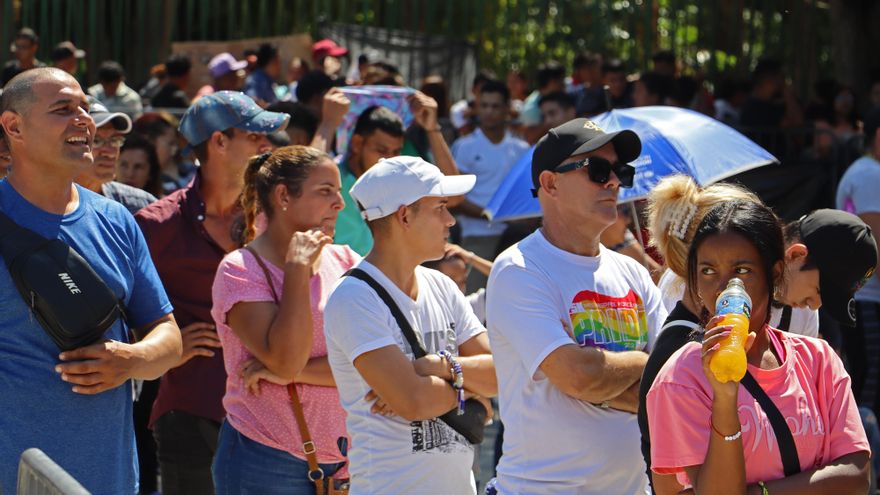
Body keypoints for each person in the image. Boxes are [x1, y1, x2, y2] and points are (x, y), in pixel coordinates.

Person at [0, 67, 182, 494]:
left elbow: (168, 337)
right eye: (63, 109)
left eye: (84, 107)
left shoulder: (117, 220)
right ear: (14, 127)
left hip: (110, 479)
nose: (83, 118)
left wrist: (133, 360)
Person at [639, 176, 868, 493]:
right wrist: (724, 399)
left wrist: (760, 492)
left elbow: (856, 476)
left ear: (774, 273)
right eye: (708, 271)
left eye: (742, 270)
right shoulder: (681, 375)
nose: (725, 287)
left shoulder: (819, 359)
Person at [486, 118, 667, 494]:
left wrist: (598, 383)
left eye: (619, 171)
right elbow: (579, 377)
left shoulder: (632, 271)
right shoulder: (518, 269)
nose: (615, 182)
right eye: (598, 171)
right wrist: (642, 363)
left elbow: (670, 387)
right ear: (550, 183)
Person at [136, 91, 288, 495]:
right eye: (255, 135)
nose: (266, 145)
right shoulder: (155, 225)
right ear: (219, 142)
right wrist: (167, 346)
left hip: (277, 414)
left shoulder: (281, 220)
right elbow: (120, 317)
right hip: (191, 410)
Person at [324, 156, 496, 494]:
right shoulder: (354, 297)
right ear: (404, 215)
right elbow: (414, 401)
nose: (450, 221)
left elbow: (500, 373)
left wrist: (438, 367)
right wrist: (472, 396)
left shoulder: (442, 285)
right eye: (440, 208)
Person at [211, 146, 357, 493]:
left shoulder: (348, 260)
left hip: (346, 462)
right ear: (282, 196)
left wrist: (294, 373)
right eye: (325, 192)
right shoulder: (239, 271)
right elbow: (287, 359)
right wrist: (296, 271)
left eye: (338, 193)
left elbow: (377, 365)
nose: (340, 204)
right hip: (266, 459)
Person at [335, 94, 463, 256]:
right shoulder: (333, 178)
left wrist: (433, 129)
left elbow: (454, 198)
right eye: (381, 150)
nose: (387, 159)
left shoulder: (401, 177)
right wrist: (327, 125)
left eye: (396, 152)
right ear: (357, 143)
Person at [451, 79, 530, 291]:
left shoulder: (521, 149)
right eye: (484, 105)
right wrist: (488, 214)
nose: (489, 112)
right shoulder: (464, 147)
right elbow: (454, 199)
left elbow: (528, 196)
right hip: (476, 238)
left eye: (495, 106)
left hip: (518, 241)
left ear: (507, 109)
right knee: (473, 305)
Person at [837, 106, 880, 418]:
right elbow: (875, 247)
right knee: (869, 395)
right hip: (868, 300)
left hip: (864, 298)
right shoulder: (869, 174)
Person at [74, 100, 157, 213]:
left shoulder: (140, 206)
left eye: (115, 140)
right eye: (96, 140)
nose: (110, 152)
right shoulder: (46, 207)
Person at [520, 61, 567, 144]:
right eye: (561, 81)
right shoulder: (531, 109)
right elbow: (529, 138)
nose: (564, 85)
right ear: (553, 82)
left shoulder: (559, 98)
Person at [118, 133, 162, 197]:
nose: (130, 174)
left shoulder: (165, 205)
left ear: (151, 173)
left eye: (138, 167)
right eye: (124, 165)